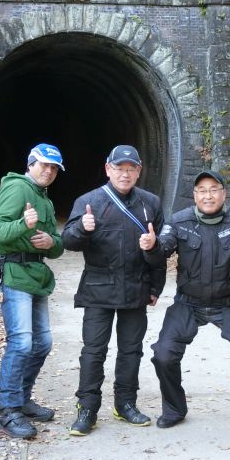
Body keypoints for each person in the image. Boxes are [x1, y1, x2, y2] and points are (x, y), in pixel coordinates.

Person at [141, 170, 230, 429]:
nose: (208, 195)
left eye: (214, 190)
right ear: (194, 196)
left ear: (224, 194)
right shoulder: (179, 221)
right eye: (202, 191)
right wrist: (152, 246)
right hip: (187, 303)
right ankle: (174, 409)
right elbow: (162, 249)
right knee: (164, 355)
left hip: (229, 303)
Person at [62, 145, 167, 436]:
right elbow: (67, 242)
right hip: (98, 287)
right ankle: (87, 408)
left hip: (136, 287)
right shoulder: (89, 201)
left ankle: (126, 403)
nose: (125, 174)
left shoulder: (150, 203)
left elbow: (162, 250)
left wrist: (155, 284)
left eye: (131, 169)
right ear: (108, 169)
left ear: (139, 171)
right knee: (93, 351)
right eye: (120, 168)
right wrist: (82, 228)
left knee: (131, 351)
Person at [0, 144, 66, 439]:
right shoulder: (17, 188)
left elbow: (56, 245)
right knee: (21, 343)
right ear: (31, 163)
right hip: (13, 274)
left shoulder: (44, 199)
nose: (49, 171)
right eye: (44, 165)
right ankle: (7, 412)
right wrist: (23, 224)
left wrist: (52, 243)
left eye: (54, 168)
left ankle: (22, 399)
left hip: (36, 275)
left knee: (42, 343)